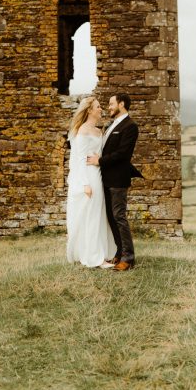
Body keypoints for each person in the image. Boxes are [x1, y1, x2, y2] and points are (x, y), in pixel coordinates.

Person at [87, 92, 139, 272]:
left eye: (111, 104)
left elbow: (123, 154)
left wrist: (99, 161)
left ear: (122, 104)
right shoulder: (111, 125)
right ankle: (119, 252)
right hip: (106, 179)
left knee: (119, 216)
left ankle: (129, 258)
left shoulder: (130, 126)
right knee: (111, 217)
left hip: (118, 179)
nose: (108, 107)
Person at [66, 96, 117, 268]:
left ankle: (101, 253)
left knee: (99, 215)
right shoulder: (82, 131)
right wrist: (84, 184)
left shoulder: (98, 131)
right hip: (88, 177)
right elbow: (78, 160)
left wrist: (100, 159)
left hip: (98, 174)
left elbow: (99, 155)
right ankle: (94, 257)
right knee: (91, 216)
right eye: (98, 107)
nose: (101, 109)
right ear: (89, 110)